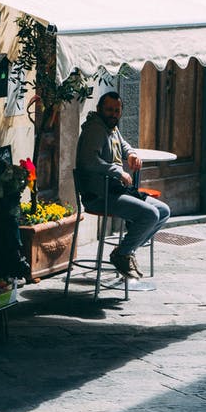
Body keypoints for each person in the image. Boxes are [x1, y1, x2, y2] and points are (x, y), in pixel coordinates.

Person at [75, 91, 170, 280]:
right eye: (109, 109)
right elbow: (88, 161)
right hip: (99, 195)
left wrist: (131, 154)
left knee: (163, 210)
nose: (113, 114)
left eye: (117, 110)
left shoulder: (111, 128)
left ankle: (126, 251)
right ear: (100, 109)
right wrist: (117, 171)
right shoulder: (95, 129)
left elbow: (123, 144)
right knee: (150, 214)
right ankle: (123, 254)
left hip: (115, 190)